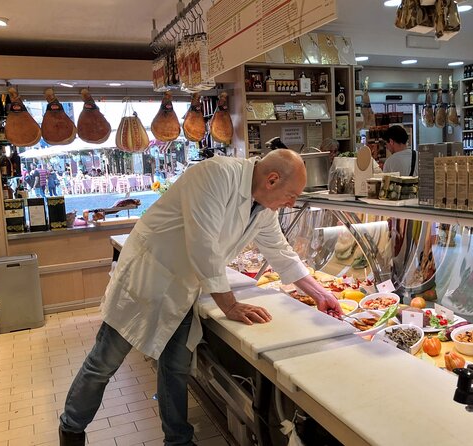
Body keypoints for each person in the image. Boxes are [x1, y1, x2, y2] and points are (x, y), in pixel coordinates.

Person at [58, 150, 342, 446]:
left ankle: (178, 440)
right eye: (292, 195)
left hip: (184, 287)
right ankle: (71, 428)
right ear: (271, 180)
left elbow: (281, 253)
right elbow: (202, 245)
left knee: (176, 367)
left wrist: (321, 295)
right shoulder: (216, 174)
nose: (292, 203)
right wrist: (229, 305)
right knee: (105, 360)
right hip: (147, 276)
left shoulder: (263, 209)